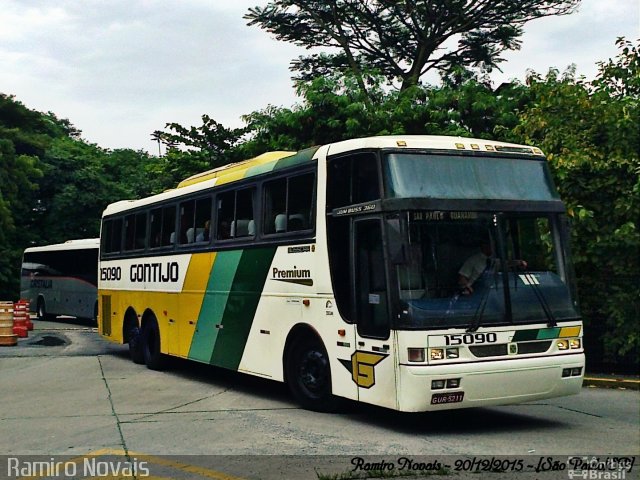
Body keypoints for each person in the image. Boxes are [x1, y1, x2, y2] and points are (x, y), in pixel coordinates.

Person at [458, 241, 527, 295]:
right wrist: (468, 289)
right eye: (490, 245)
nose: (492, 247)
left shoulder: (494, 261)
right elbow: (462, 277)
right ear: (484, 246)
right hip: (474, 293)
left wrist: (520, 262)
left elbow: (507, 263)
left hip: (490, 293)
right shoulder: (473, 260)